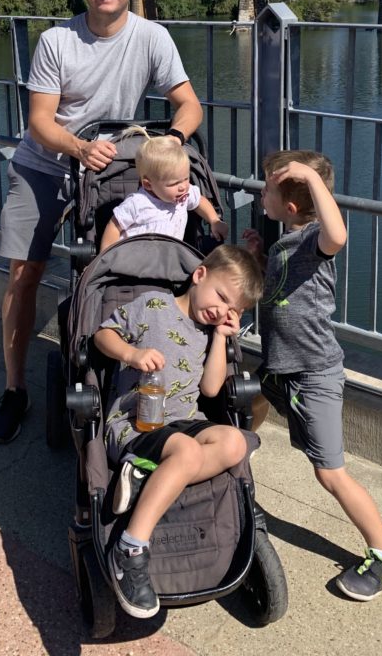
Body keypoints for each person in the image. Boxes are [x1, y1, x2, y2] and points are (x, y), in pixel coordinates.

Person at [0, 0, 203, 444]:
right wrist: (78, 149)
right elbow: (40, 120)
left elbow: (188, 104)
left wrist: (172, 140)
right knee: (25, 273)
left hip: (110, 170)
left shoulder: (153, 38)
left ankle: (115, 360)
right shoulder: (56, 41)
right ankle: (14, 390)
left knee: (119, 263)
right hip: (47, 163)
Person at [243, 150, 382, 602]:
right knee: (254, 397)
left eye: (268, 189)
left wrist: (309, 180)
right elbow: (277, 290)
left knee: (331, 474)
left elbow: (339, 233)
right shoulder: (286, 242)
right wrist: (257, 257)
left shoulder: (316, 238)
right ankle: (241, 451)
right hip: (282, 367)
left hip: (312, 374)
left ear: (292, 206)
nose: (261, 194)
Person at [94, 245, 264, 619]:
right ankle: (130, 548)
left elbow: (211, 390)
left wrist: (220, 336)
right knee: (186, 452)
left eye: (231, 309)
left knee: (234, 442)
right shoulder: (153, 305)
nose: (220, 310)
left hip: (183, 420)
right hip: (137, 423)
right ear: (200, 275)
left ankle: (144, 474)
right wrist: (131, 355)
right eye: (220, 297)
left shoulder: (207, 332)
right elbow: (103, 336)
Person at [98, 128, 228, 251]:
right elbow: (114, 226)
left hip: (167, 261)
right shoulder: (137, 203)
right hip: (135, 261)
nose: (182, 186)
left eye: (186, 179)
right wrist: (105, 258)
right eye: (174, 184)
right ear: (148, 185)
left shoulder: (184, 195)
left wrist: (214, 220)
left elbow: (199, 201)